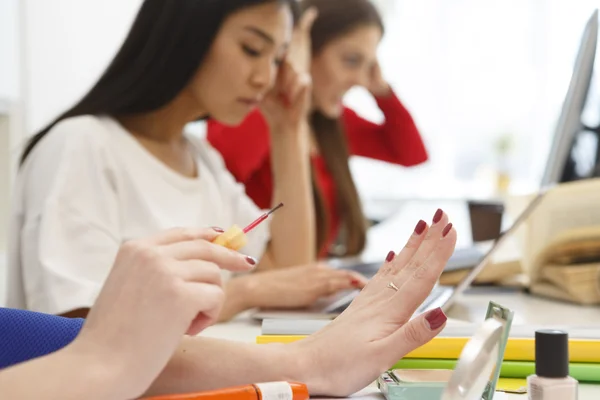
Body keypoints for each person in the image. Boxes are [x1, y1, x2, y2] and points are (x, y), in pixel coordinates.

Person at [6, 0, 368, 322]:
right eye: (251, 49)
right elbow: (84, 328)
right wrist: (243, 293)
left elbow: (291, 274)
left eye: (276, 59)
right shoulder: (82, 145)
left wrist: (288, 131)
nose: (265, 78)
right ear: (187, 33)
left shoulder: (201, 159)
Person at [0, 211, 456, 400]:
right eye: (254, 48)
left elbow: (15, 344)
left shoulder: (206, 160)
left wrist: (306, 361)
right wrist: (98, 358)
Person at [207, 0, 428, 259]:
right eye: (351, 60)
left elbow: (411, 154)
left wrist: (381, 90)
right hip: (260, 280)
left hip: (307, 280)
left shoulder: (332, 125)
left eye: (368, 64)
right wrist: (287, 80)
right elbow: (216, 184)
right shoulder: (253, 114)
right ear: (305, 49)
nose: (360, 79)